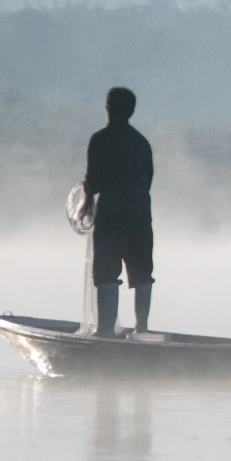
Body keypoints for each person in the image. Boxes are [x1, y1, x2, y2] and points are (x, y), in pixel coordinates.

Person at [82, 86, 154, 337]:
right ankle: (142, 329)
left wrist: (87, 193)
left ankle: (104, 332)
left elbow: (94, 182)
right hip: (141, 213)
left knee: (106, 271)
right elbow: (147, 181)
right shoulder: (141, 143)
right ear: (131, 111)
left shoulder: (100, 140)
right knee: (142, 272)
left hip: (112, 213)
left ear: (109, 109)